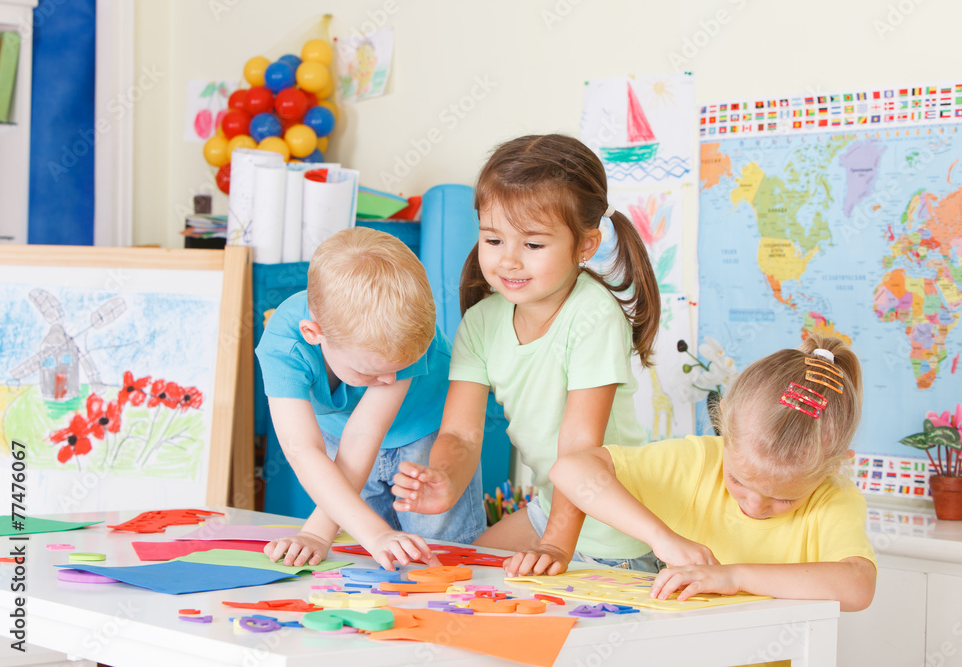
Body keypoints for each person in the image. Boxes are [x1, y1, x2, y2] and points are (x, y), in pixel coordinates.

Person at [391, 133, 661, 576]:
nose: (509, 261)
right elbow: (461, 435)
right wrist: (442, 480)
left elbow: (579, 449)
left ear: (586, 246)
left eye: (533, 245)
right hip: (549, 510)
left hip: (614, 534)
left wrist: (555, 546)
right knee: (453, 575)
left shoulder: (594, 314)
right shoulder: (480, 322)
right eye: (493, 240)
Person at [550, 335, 877, 612]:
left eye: (783, 498)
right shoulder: (699, 461)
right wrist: (661, 538)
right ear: (723, 426)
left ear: (835, 466)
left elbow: (859, 585)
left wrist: (735, 577)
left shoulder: (834, 497)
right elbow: (571, 468)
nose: (754, 505)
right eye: (738, 481)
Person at [255, 227, 485, 569]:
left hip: (425, 432)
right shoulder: (282, 348)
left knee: (441, 551)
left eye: (399, 368)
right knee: (365, 550)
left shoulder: (402, 326)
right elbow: (303, 450)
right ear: (313, 334)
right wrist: (321, 534)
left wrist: (335, 532)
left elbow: (366, 433)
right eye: (370, 372)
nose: (389, 380)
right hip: (341, 437)